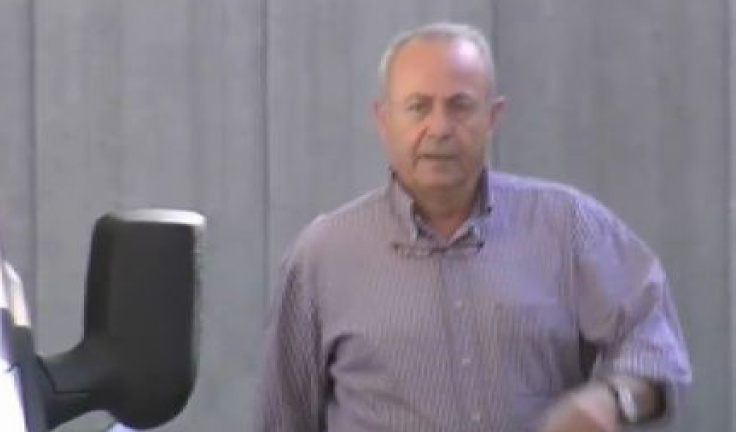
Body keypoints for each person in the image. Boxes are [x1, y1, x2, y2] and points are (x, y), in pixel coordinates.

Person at [255, 22, 692, 432]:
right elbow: (283, 419)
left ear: (493, 117)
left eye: (460, 106)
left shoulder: (567, 227)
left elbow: (655, 349)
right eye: (418, 107)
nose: (440, 128)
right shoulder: (323, 256)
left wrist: (614, 400)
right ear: (383, 121)